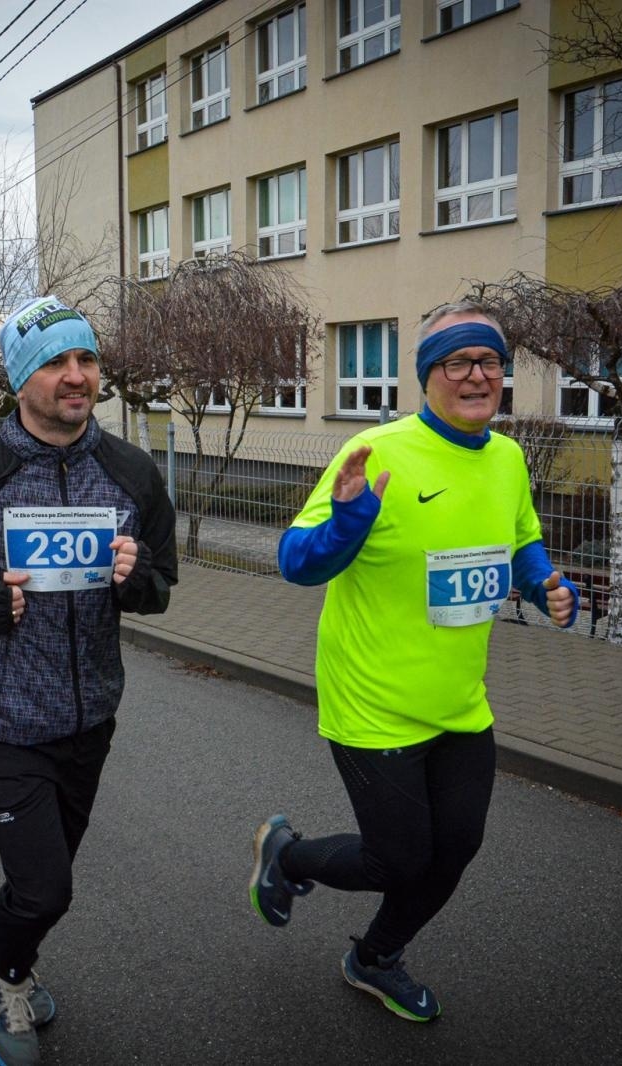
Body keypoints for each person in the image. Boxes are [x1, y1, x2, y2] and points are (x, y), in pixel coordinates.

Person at [248, 301, 579, 1024]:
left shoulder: (509, 457)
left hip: (460, 700)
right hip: (371, 701)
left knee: (455, 848)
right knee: (399, 860)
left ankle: (374, 957)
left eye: (489, 362)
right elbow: (294, 564)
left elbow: (519, 541)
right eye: (457, 363)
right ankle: (287, 855)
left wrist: (546, 582)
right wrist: (349, 522)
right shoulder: (377, 453)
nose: (476, 376)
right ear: (427, 377)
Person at [0, 296, 176, 1066]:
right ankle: (7, 977)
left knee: (53, 876)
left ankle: (16, 955)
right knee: (46, 890)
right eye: (55, 362)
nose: (75, 376)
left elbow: (161, 585)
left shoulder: (131, 473)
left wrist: (133, 575)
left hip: (88, 716)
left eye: (85, 359)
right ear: (21, 379)